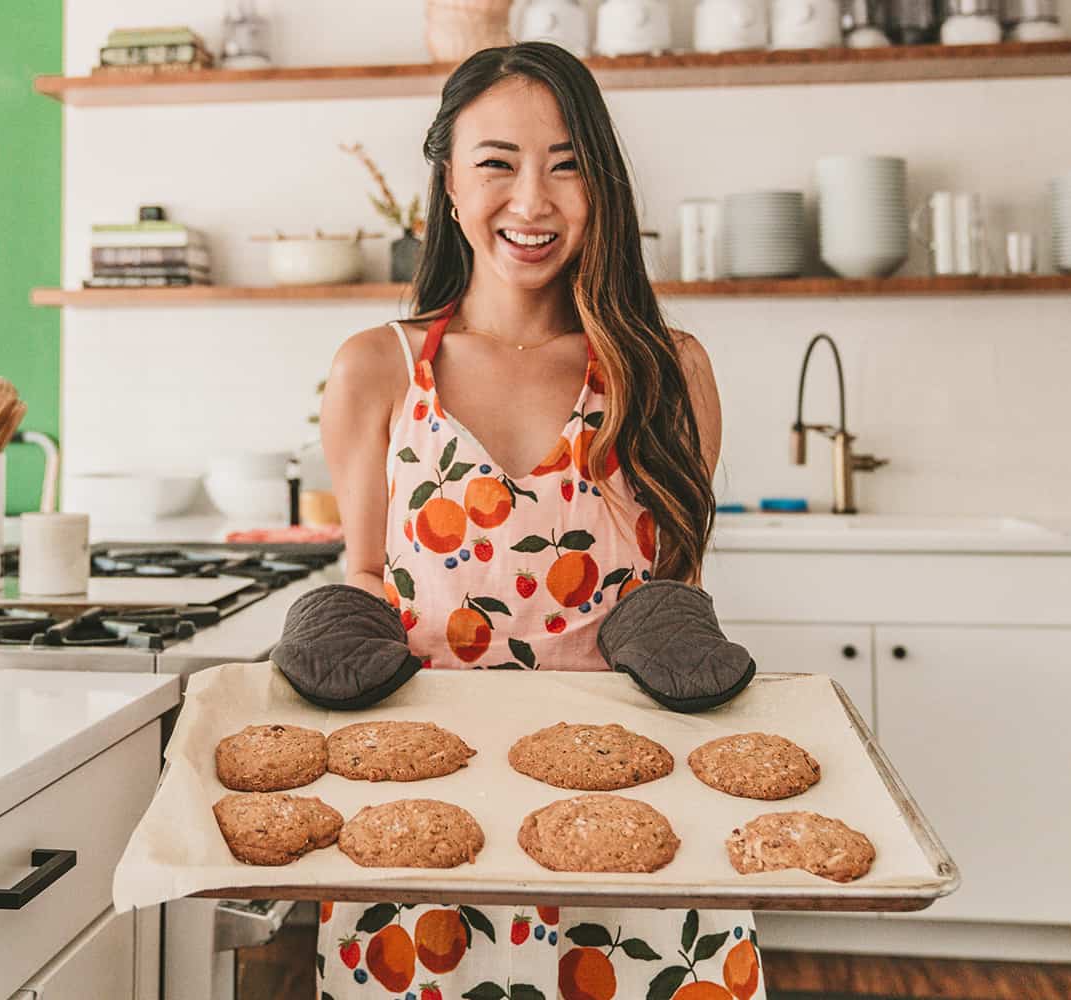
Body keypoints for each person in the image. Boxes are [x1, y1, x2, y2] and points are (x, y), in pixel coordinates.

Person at [315, 42, 764, 1000]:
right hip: (421, 835)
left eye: (566, 164)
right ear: (446, 182)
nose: (532, 200)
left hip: (642, 832)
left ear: (602, 184)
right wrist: (328, 634)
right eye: (497, 163)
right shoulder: (378, 368)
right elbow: (365, 581)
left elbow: (671, 602)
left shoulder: (665, 370)